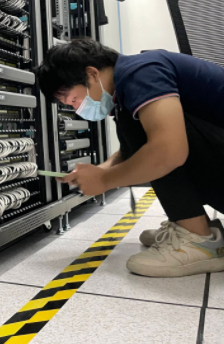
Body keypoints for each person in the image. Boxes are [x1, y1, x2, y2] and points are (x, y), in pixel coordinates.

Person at [35, 38, 224, 277]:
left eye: (74, 100)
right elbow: (128, 153)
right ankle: (192, 225)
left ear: (92, 74)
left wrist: (104, 180)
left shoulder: (141, 71)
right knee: (138, 126)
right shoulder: (129, 85)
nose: (77, 109)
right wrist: (100, 172)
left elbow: (168, 150)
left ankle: (198, 239)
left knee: (149, 135)